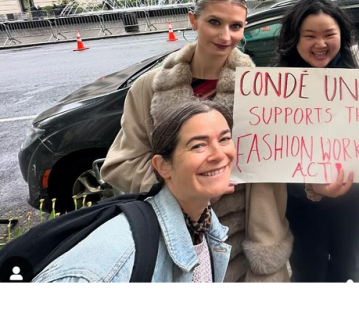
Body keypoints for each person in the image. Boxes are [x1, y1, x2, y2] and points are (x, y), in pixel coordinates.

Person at [102, 0, 292, 283]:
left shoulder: (262, 90)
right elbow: (120, 164)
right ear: (193, 20)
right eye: (214, 22)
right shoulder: (148, 88)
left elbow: (284, 158)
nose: (225, 35)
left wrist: (317, 183)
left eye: (236, 26)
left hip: (246, 242)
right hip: (173, 238)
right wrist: (183, 182)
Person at [34, 101, 235, 283]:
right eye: (198, 145)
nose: (219, 154)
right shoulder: (114, 260)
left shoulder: (205, 229)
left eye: (224, 139)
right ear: (163, 166)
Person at [276, 0, 359, 283]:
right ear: (294, 38)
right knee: (307, 271)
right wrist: (309, 185)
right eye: (309, 36)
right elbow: (272, 156)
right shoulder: (277, 81)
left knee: (349, 268)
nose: (320, 44)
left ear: (342, 35)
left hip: (354, 195)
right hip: (300, 204)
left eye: (329, 35)